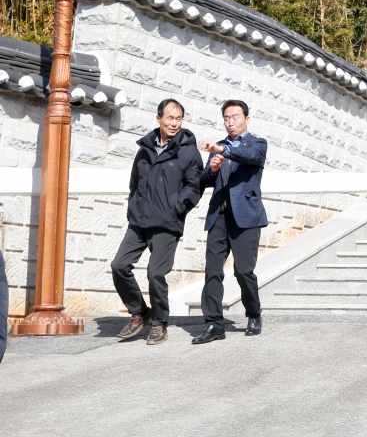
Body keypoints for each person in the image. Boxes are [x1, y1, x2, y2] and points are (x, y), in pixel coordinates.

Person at [112, 98, 203, 345]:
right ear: (159, 118)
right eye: (170, 118)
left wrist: (178, 207)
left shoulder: (188, 151)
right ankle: (139, 312)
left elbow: (194, 187)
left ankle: (159, 322)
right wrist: (133, 208)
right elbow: (134, 184)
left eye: (179, 118)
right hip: (139, 220)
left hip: (166, 221)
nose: (175, 123)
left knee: (155, 274)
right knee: (119, 265)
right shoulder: (144, 150)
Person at [193, 100, 268, 344]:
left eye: (235, 116)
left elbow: (251, 157)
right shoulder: (221, 146)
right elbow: (203, 181)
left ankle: (254, 314)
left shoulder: (256, 143)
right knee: (212, 271)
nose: (230, 121)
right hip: (219, 216)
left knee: (243, 271)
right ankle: (214, 323)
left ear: (247, 118)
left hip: (246, 217)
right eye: (226, 117)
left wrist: (221, 151)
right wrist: (212, 169)